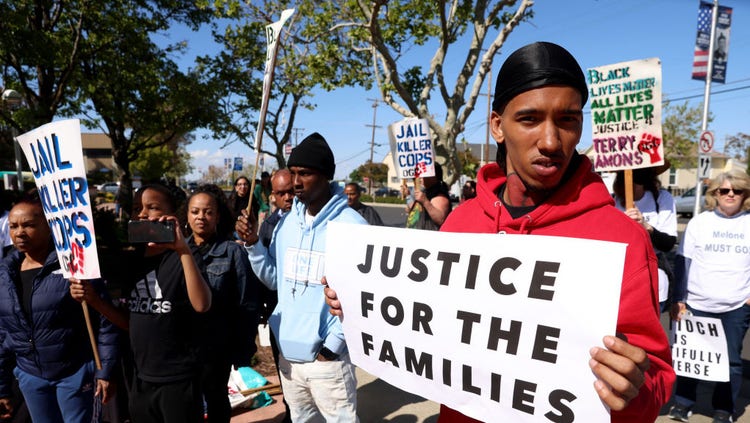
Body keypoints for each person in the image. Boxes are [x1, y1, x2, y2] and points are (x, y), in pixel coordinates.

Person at [325, 41, 675, 422]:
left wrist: (633, 389)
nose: (551, 141)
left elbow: (655, 381)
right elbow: (429, 326)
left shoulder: (621, 239)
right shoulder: (461, 223)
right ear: (497, 126)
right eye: (529, 119)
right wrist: (364, 308)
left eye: (568, 120)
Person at [236, 133, 366, 422]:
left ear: (325, 176)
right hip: (288, 358)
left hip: (327, 361)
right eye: (293, 173)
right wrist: (253, 244)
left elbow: (361, 299)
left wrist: (332, 348)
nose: (295, 182)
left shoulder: (352, 226)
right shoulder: (286, 224)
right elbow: (275, 280)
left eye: (304, 173)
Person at [71, 183, 212, 423]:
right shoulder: (132, 260)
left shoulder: (186, 256)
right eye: (137, 208)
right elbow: (129, 322)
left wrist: (183, 250)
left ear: (172, 214)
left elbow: (202, 305)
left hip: (178, 379)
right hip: (139, 378)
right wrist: (93, 300)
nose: (142, 214)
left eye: (152, 207)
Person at [0, 191, 118, 422]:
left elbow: (104, 323)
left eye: (29, 225)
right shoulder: (5, 274)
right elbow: (3, 333)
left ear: (48, 226)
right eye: (13, 226)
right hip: (30, 376)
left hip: (75, 374)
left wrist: (105, 371)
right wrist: (2, 385)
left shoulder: (74, 265)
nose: (19, 232)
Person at [667, 170, 750, 423]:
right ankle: (683, 404)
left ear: (745, 194)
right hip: (697, 303)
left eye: (737, 190)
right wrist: (678, 299)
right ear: (715, 193)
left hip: (736, 305)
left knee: (732, 361)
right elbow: (683, 262)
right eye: (724, 190)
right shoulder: (699, 223)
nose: (730, 194)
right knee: (691, 357)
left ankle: (723, 409)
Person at [184, 184, 260, 423]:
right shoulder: (177, 251)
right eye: (195, 211)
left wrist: (244, 349)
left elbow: (247, 303)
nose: (201, 218)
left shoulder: (232, 252)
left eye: (208, 212)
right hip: (182, 348)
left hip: (217, 346)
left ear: (217, 216)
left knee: (216, 400)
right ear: (186, 215)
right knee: (187, 403)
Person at [612, 164, 678, 313]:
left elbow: (668, 244)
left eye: (640, 174)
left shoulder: (661, 198)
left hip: (653, 280)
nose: (634, 182)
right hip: (619, 282)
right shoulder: (612, 201)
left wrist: (645, 226)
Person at [257, 169, 294, 423]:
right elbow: (265, 275)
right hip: (278, 310)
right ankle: (291, 409)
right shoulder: (268, 227)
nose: (288, 197)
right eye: (281, 193)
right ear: (273, 197)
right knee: (285, 367)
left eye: (291, 191)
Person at [405, 162, 452, 230]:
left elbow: (440, 219)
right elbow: (419, 211)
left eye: (424, 174)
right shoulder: (425, 191)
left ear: (433, 176)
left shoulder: (439, 195)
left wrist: (425, 201)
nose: (420, 177)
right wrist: (408, 197)